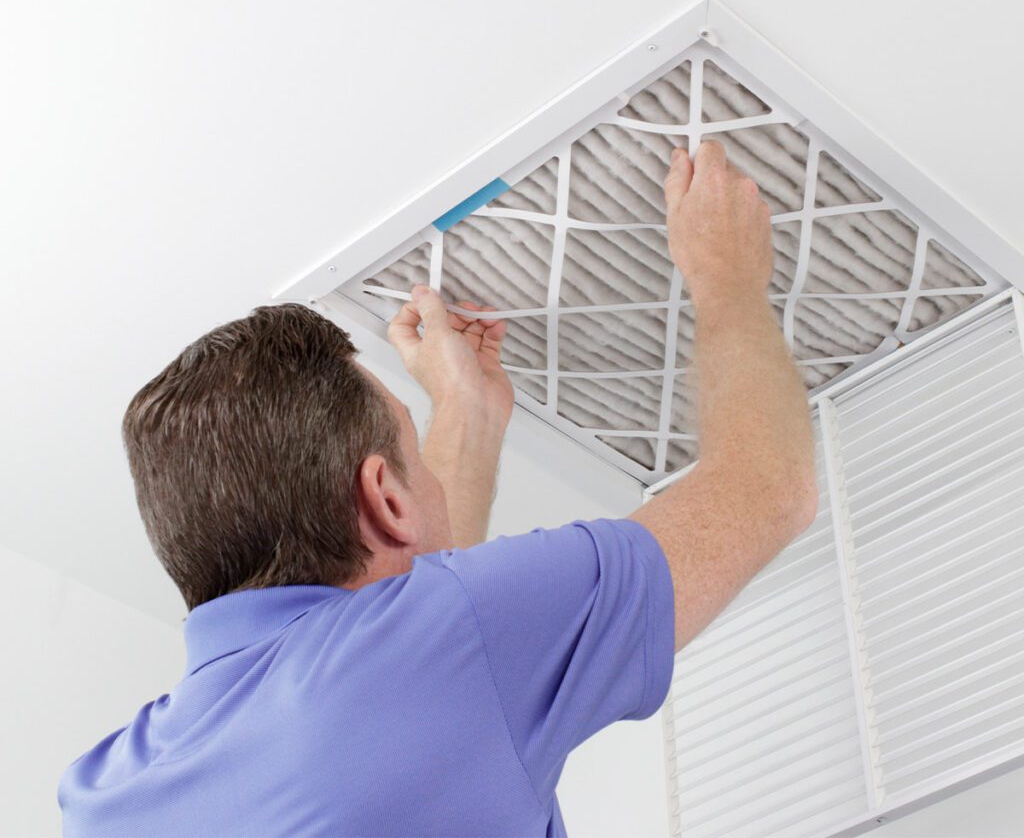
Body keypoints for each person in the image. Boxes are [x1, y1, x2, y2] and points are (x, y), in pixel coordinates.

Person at [57, 140, 817, 837]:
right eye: (410, 452)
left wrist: (464, 413)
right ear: (386, 499)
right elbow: (768, 487)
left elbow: (413, 639)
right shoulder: (440, 642)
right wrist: (727, 276)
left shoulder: (100, 797)